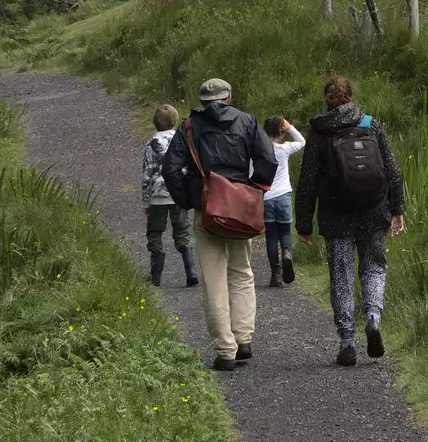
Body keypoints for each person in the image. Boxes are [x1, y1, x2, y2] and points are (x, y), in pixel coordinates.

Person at [161, 77, 277, 372]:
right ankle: (244, 339)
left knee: (214, 281)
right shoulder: (248, 122)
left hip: (208, 210)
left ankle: (225, 350)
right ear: (228, 98)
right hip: (240, 207)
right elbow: (268, 159)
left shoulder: (189, 126)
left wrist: (191, 200)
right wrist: (253, 190)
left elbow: (170, 169)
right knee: (242, 273)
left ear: (202, 101)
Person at [296, 76, 405, 367]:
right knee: (374, 267)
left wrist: (304, 224)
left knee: (341, 276)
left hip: (335, 215)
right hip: (374, 209)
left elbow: (307, 181)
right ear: (351, 96)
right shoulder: (370, 124)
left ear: (327, 100)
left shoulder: (319, 132)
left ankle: (346, 341)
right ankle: (373, 317)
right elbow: (392, 170)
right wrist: (397, 208)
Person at [141, 104, 198, 288]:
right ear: (175, 120)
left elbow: (147, 173)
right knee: (182, 230)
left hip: (157, 195)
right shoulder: (181, 140)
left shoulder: (150, 145)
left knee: (155, 232)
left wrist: (146, 200)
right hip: (177, 192)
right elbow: (188, 166)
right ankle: (190, 273)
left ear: (155, 123)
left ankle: (155, 276)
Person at [261, 115, 306, 288]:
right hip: (284, 196)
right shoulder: (285, 149)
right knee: (285, 233)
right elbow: (302, 141)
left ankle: (276, 274)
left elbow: (251, 173)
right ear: (281, 132)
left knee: (271, 237)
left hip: (266, 198)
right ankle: (286, 253)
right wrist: (290, 127)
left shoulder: (260, 151)